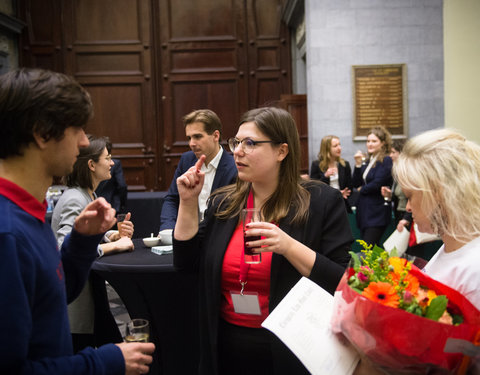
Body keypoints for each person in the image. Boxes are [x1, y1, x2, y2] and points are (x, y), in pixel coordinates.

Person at [173, 107, 352, 375]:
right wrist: (187, 203)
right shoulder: (224, 202)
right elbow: (186, 264)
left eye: (251, 143)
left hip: (291, 348)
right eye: (236, 142)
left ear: (282, 151)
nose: (238, 151)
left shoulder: (322, 202)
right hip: (227, 345)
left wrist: (288, 246)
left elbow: (342, 282)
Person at [0, 68, 154, 375]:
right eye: (78, 129)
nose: (84, 142)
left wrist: (81, 243)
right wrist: (106, 361)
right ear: (43, 133)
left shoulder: (27, 211)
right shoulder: (8, 233)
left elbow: (51, 299)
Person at [52, 134, 135, 353]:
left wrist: (111, 236)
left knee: (112, 345)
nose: (112, 163)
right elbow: (65, 248)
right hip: (77, 305)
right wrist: (114, 246)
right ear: (91, 164)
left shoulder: (87, 194)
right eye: (107, 158)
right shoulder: (74, 199)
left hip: (91, 296)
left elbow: (84, 235)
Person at [393, 128, 480, 310]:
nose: (408, 207)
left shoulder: (474, 271)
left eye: (410, 196)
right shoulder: (452, 246)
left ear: (438, 193)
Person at [159, 109, 237, 233]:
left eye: (197, 136)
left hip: (216, 238)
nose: (191, 143)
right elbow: (172, 199)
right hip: (187, 236)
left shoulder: (234, 167)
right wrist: (168, 228)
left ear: (215, 136)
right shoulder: (186, 160)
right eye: (189, 138)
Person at [352, 125, 393, 246]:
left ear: (383, 143)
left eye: (374, 141)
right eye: (368, 141)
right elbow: (356, 183)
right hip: (364, 212)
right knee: (371, 248)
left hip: (377, 212)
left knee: (368, 247)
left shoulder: (386, 160)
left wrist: (362, 189)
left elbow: (378, 182)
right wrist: (358, 165)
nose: (370, 144)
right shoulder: (368, 160)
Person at [310, 134, 352, 212]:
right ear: (327, 149)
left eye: (339, 145)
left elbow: (350, 186)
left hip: (341, 204)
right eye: (335, 146)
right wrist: (325, 176)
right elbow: (314, 188)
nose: (339, 148)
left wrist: (344, 193)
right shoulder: (316, 165)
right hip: (324, 205)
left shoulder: (344, 164)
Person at [96, 139, 128, 214]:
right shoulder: (116, 164)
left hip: (95, 204)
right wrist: (122, 203)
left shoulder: (95, 164)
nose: (111, 163)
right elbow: (122, 185)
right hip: (113, 205)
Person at [380, 139, 407, 225]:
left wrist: (407, 218)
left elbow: (414, 198)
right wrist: (390, 196)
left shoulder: (409, 173)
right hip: (399, 214)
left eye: (393, 152)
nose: (390, 155)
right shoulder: (397, 172)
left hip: (407, 217)